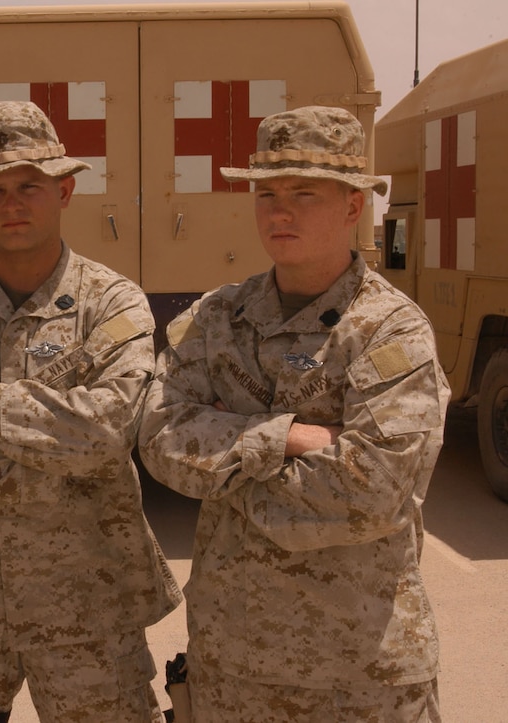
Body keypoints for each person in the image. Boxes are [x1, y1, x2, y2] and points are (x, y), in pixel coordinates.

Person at [138, 105, 450, 721]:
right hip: (232, 664)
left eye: (304, 192)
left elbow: (372, 490)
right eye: (268, 192)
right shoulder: (215, 318)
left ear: (353, 205)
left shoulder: (390, 329)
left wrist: (227, 468)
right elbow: (158, 438)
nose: (280, 211)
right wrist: (289, 438)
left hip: (361, 673)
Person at [0, 100, 181, 723]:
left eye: (29, 186)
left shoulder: (113, 302)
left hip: (90, 606)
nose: (11, 203)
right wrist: (51, 463)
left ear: (65, 191)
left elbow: (107, 429)